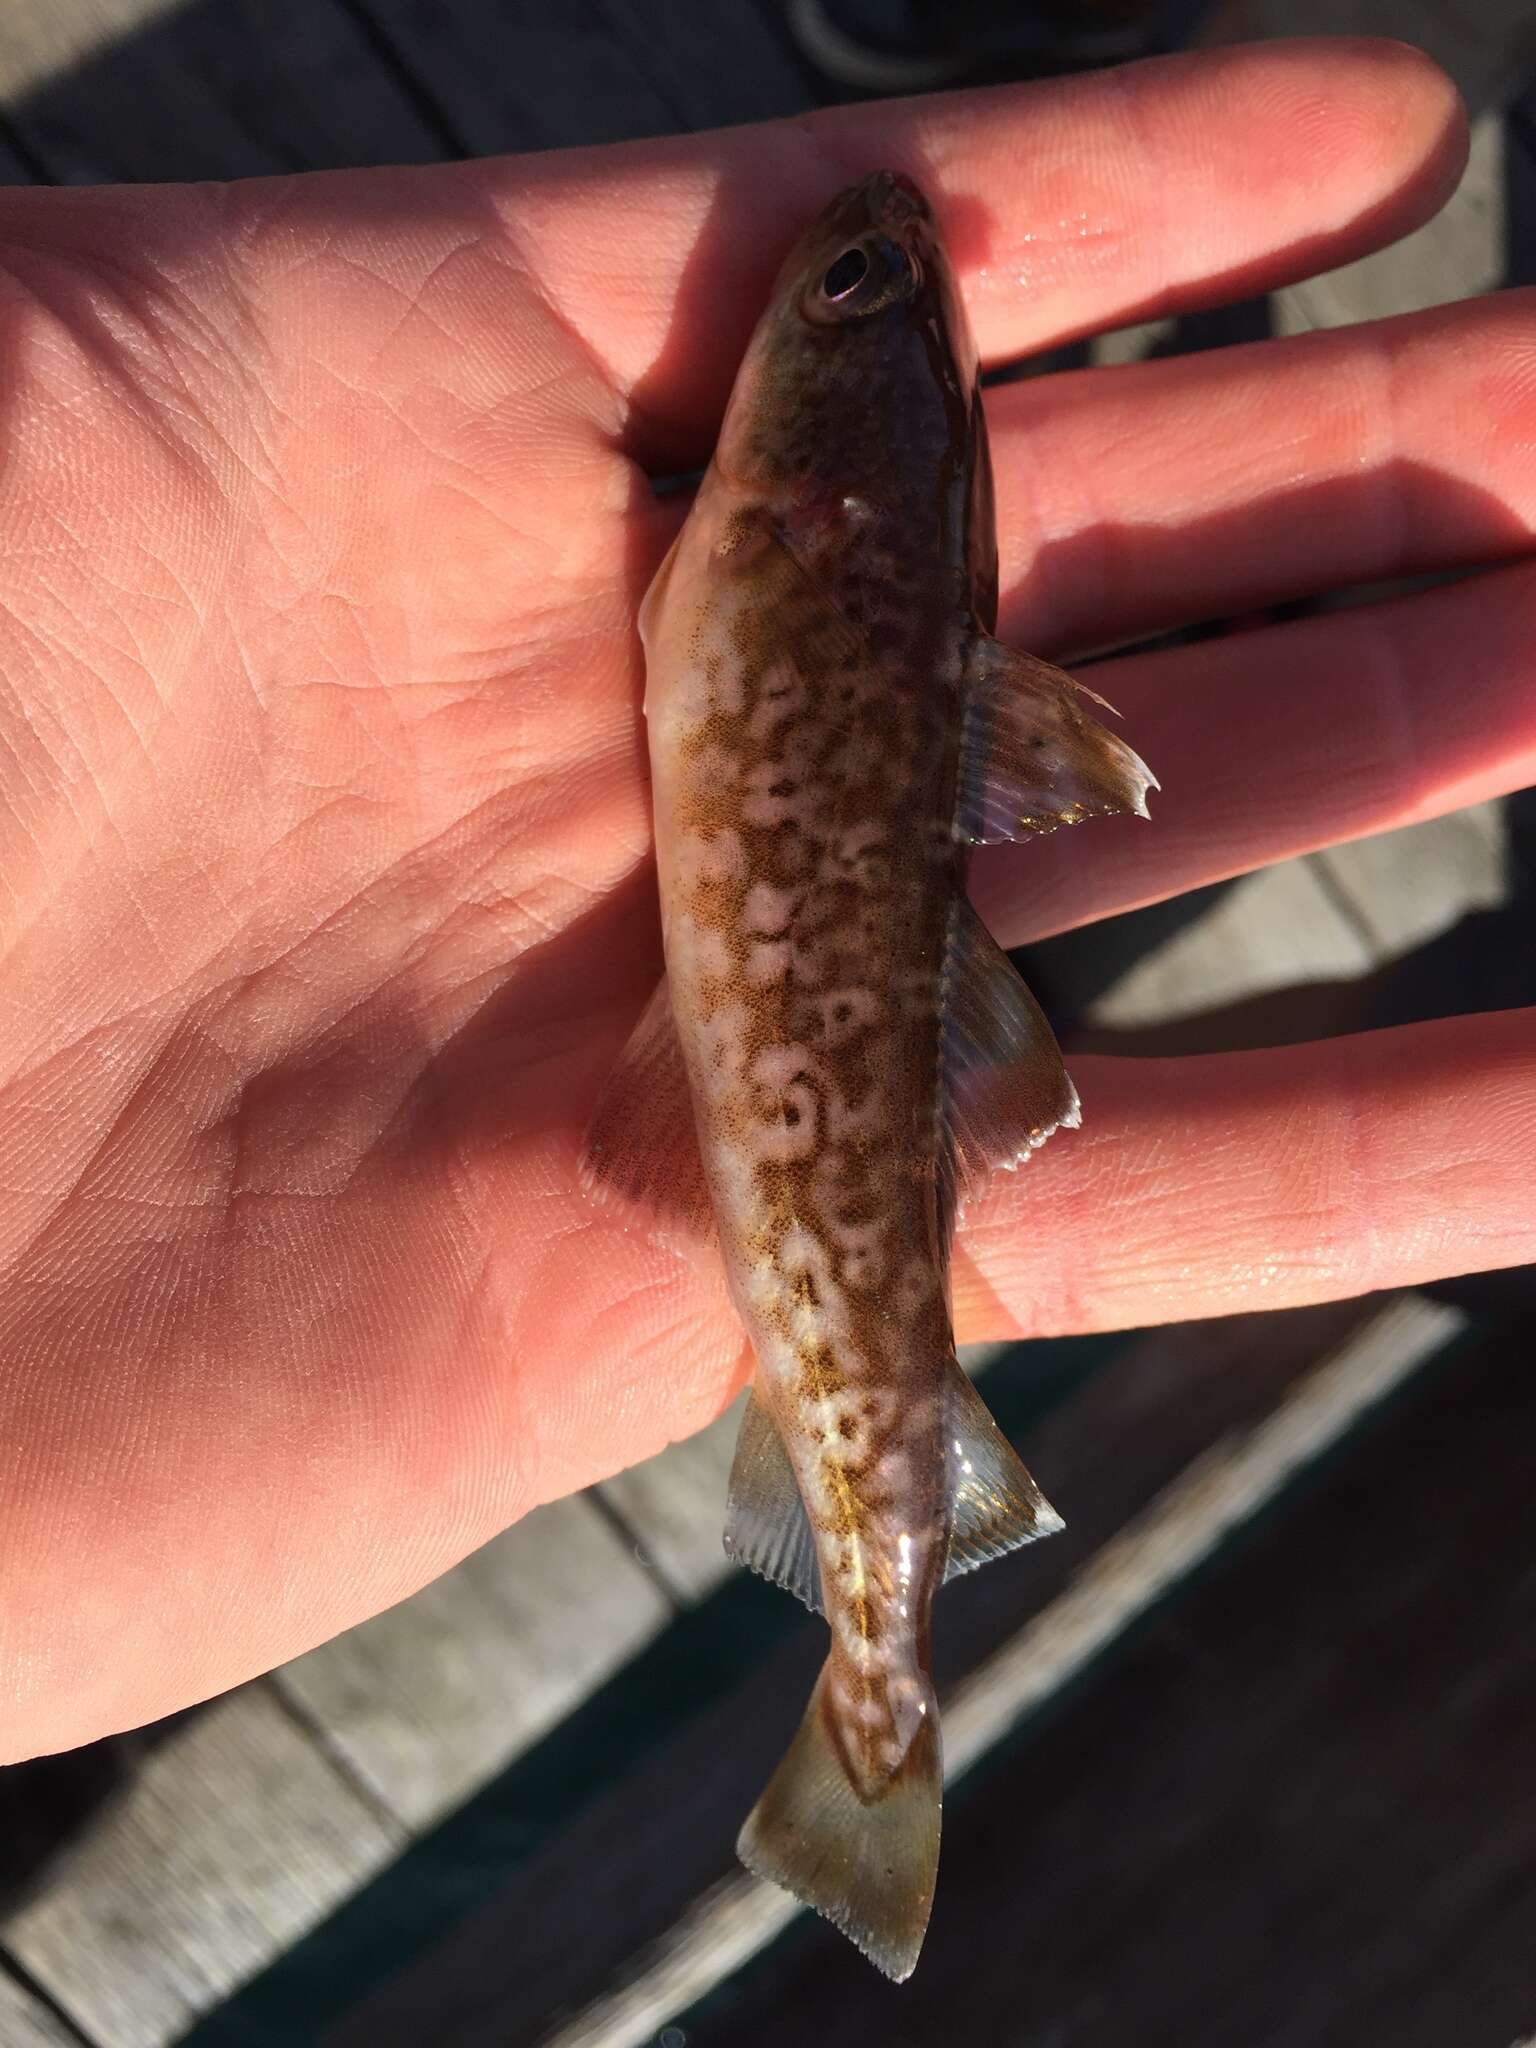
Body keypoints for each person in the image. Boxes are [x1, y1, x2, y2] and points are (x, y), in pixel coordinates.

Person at [0, 35, 1529, 1765]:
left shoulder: (807, 527)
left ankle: (876, 1707)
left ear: (810, 494)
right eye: (869, 289)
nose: (859, 267)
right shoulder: (817, 536)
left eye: (863, 289)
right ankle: (875, 1688)